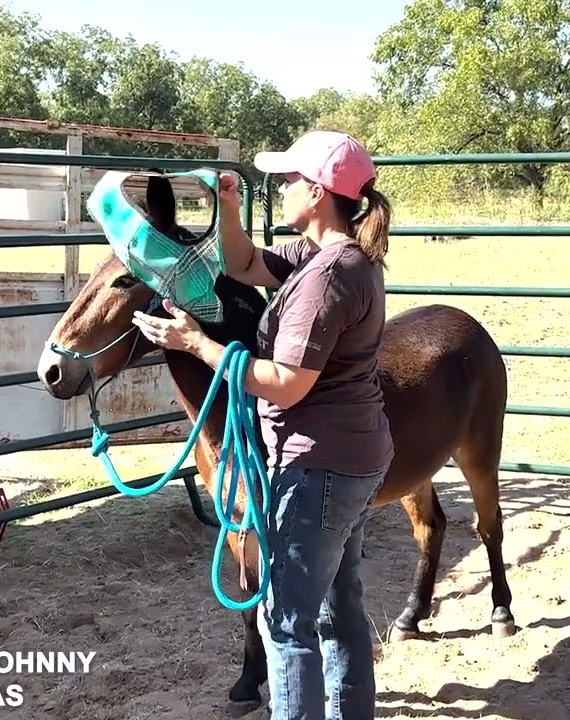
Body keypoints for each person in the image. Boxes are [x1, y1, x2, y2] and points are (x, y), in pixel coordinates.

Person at [130, 129, 394, 719]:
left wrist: (198, 345)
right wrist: (226, 204)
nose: (281, 188)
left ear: (319, 192)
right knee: (337, 607)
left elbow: (288, 382)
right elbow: (245, 262)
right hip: (352, 456)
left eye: (289, 180)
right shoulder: (334, 258)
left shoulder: (327, 278)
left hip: (316, 464)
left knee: (284, 621)